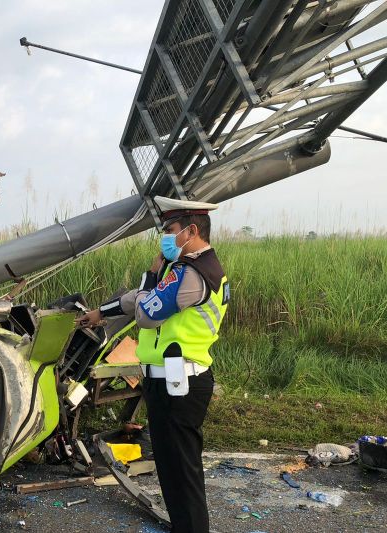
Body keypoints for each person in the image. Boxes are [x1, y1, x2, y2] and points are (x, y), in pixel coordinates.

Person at [77, 196, 229, 533]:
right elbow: (138, 298)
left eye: (169, 230)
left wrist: (151, 275)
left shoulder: (194, 274)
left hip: (181, 385)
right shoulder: (184, 269)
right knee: (171, 467)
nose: (164, 238)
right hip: (167, 382)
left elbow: (147, 314)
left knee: (182, 470)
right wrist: (101, 312)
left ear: (191, 230)